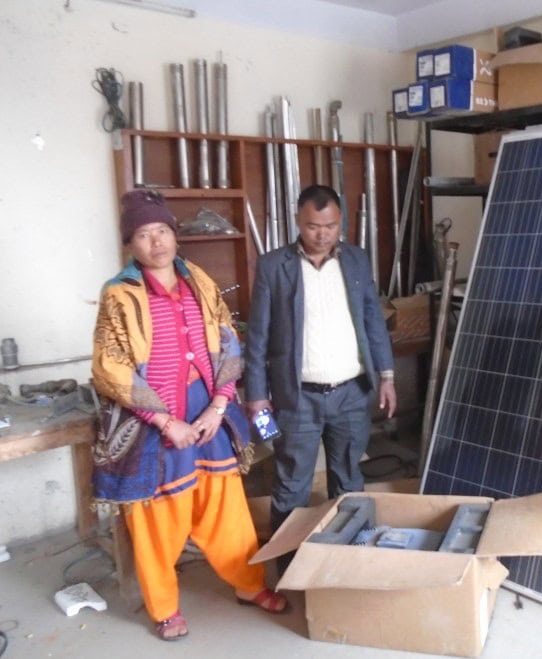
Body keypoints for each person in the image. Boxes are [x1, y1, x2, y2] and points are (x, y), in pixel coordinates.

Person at [92, 190, 287, 641]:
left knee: (227, 509)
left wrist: (220, 404)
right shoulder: (119, 294)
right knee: (157, 519)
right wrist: (164, 422)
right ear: (131, 244)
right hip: (153, 421)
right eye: (144, 234)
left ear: (174, 235)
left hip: (207, 413)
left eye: (162, 231)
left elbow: (228, 340)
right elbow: (110, 367)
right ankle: (164, 608)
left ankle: (248, 585)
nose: (156, 242)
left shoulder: (197, 278)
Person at [244, 184, 396, 548]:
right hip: (296, 401)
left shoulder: (357, 260)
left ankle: (348, 560)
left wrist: (387, 376)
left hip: (351, 395)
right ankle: (287, 567)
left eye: (331, 225)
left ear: (340, 220)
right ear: (298, 220)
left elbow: (374, 320)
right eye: (313, 225)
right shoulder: (273, 266)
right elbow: (258, 337)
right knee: (292, 484)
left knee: (348, 480)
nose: (323, 234)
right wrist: (256, 396)